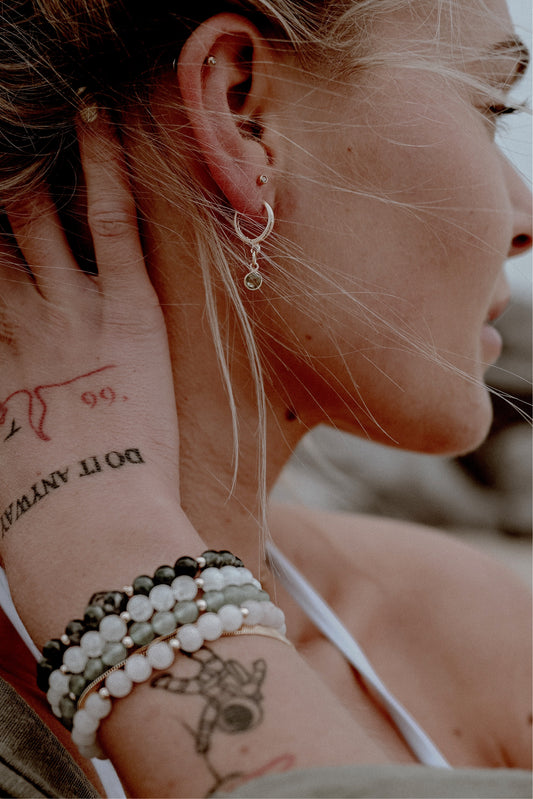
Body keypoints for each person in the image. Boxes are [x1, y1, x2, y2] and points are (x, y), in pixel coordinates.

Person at [0, 0, 531, 796]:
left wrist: (115, 558)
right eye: (489, 106)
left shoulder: (467, 626)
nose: (522, 218)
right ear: (240, 111)